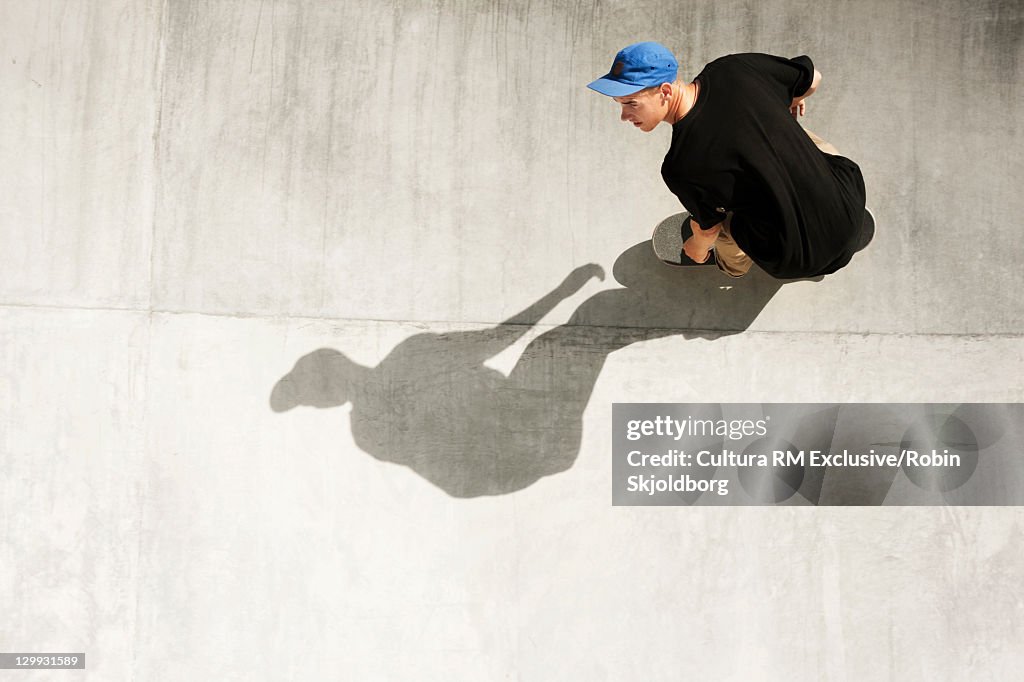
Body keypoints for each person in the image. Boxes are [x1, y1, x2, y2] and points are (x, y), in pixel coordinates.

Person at [587, 41, 869, 279]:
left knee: (719, 223)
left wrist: (696, 250)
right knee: (784, 129)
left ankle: (732, 266)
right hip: (848, 212)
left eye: (630, 104)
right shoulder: (734, 69)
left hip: (792, 259)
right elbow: (814, 78)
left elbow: (707, 230)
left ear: (665, 92)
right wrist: (792, 99)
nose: (624, 117)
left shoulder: (681, 167)